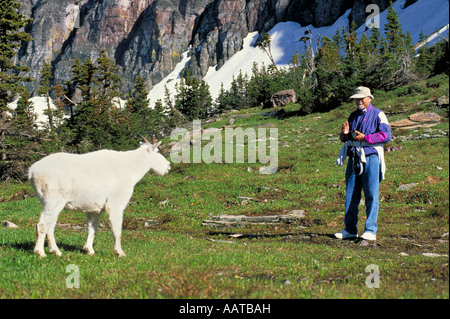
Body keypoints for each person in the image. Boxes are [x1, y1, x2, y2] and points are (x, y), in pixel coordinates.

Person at [335, 86, 391, 241]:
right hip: (354, 158)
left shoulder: (378, 114)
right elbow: (346, 139)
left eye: (362, 98)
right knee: (351, 195)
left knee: (371, 194)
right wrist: (344, 134)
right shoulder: (353, 116)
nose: (359, 101)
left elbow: (386, 136)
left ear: (369, 98)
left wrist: (365, 138)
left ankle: (370, 230)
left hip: (371, 157)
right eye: (356, 99)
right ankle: (350, 229)